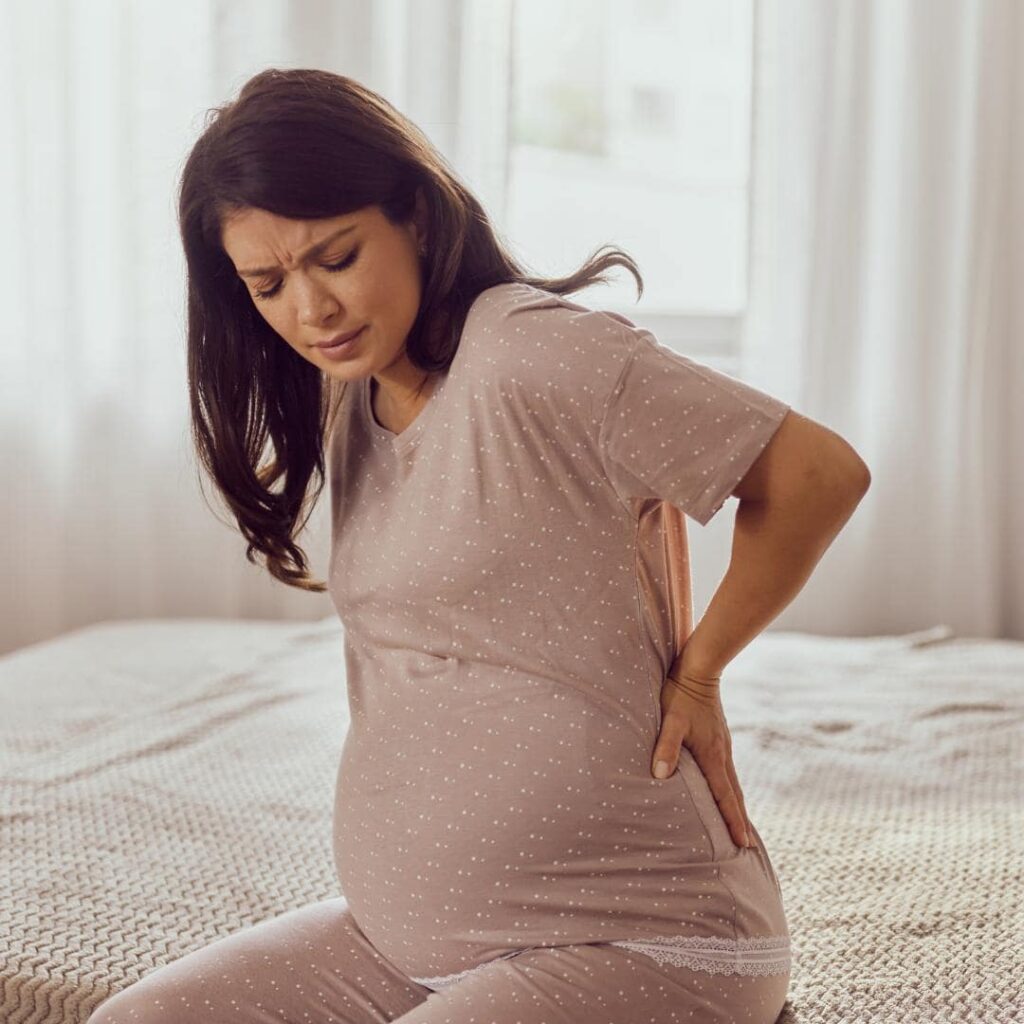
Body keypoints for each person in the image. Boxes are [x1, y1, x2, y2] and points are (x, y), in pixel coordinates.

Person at [88, 67, 870, 1024]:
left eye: (334, 256)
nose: (310, 310)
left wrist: (700, 673)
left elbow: (818, 476)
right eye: (268, 283)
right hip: (407, 944)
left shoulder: (533, 351)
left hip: (638, 938)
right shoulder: (357, 396)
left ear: (416, 214)